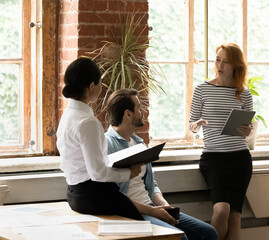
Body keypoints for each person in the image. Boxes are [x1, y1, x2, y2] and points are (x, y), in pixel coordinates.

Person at [104, 89, 218, 240]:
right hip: (131, 212)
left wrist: (163, 205)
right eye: (138, 107)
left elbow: (151, 184)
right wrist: (153, 211)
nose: (143, 111)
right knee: (179, 238)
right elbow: (111, 195)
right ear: (128, 114)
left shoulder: (138, 142)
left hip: (152, 207)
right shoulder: (107, 143)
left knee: (208, 233)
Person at [56, 58, 143, 220]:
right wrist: (128, 173)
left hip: (74, 195)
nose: (102, 88)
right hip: (95, 196)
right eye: (100, 83)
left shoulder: (67, 116)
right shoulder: (87, 122)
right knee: (141, 225)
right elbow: (98, 173)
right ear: (91, 86)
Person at [189, 42, 253, 240]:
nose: (220, 65)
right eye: (218, 60)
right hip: (213, 159)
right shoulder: (202, 89)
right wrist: (196, 125)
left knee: (235, 217)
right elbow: (191, 124)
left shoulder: (245, 93)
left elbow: (248, 131)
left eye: (226, 62)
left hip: (240, 159)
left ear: (236, 65)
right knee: (222, 210)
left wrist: (247, 130)